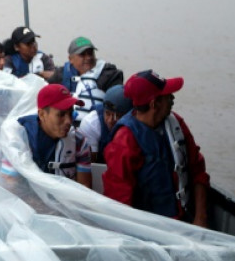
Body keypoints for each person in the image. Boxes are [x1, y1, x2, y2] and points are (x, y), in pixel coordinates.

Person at [102, 70, 210, 227]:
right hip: (150, 229)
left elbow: (198, 170)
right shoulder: (124, 141)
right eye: (168, 96)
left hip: (186, 221)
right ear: (154, 104)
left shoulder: (176, 123)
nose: (173, 99)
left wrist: (201, 218)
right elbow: (119, 201)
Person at [16, 84, 92, 188]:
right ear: (42, 114)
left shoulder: (80, 142)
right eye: (61, 115)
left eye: (70, 114)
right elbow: (11, 185)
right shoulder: (19, 140)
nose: (69, 121)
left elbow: (85, 187)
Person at [46, 36, 123, 123]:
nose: (88, 57)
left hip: (97, 128)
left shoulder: (108, 74)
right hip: (67, 127)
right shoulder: (60, 75)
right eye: (82, 54)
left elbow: (118, 104)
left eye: (90, 53)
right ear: (70, 59)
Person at [78, 84, 132, 161]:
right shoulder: (91, 122)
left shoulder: (137, 124)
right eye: (107, 113)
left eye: (118, 116)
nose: (110, 120)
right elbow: (91, 165)